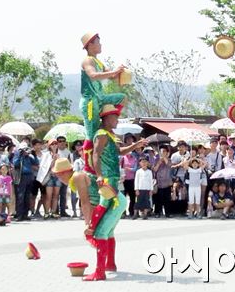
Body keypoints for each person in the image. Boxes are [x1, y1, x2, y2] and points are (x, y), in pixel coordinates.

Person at [83, 104, 146, 281]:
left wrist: (136, 145)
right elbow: (95, 155)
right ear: (106, 118)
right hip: (108, 179)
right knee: (107, 229)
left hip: (112, 183)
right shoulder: (102, 135)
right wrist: (100, 175)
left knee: (102, 231)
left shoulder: (109, 135)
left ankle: (101, 269)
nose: (117, 120)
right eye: (115, 117)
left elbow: (119, 152)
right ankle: (108, 263)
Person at [79, 32, 127, 175]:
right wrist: (113, 72)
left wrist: (120, 73)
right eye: (98, 42)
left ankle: (108, 122)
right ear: (90, 45)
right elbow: (93, 76)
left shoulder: (99, 62)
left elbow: (112, 76)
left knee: (122, 97)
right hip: (90, 101)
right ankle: (89, 166)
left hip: (100, 98)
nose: (101, 45)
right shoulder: (87, 61)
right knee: (91, 133)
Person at [12, 142, 39, 221]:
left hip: (29, 177)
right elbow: (15, 164)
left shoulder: (29, 157)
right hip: (21, 177)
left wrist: (34, 154)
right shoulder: (17, 156)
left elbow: (36, 163)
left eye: (26, 149)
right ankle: (19, 214)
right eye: (23, 149)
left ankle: (25, 214)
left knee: (27, 197)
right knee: (20, 196)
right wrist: (21, 155)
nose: (25, 151)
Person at [37, 139, 61, 219]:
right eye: (52, 144)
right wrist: (54, 159)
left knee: (56, 195)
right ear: (49, 146)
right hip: (49, 177)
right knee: (48, 196)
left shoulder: (59, 154)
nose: (54, 145)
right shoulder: (46, 155)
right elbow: (45, 167)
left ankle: (53, 212)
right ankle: (47, 212)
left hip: (57, 176)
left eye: (55, 143)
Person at [152, 144, 173, 218]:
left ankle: (168, 213)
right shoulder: (156, 159)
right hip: (159, 182)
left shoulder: (169, 159)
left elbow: (169, 165)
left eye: (164, 151)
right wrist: (158, 163)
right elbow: (154, 169)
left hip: (167, 182)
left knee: (167, 198)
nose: (162, 153)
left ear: (167, 152)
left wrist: (164, 158)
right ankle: (157, 212)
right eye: (161, 151)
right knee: (158, 198)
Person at [71, 147, 85, 218]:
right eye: (83, 151)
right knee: (81, 198)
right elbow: (75, 171)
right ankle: (81, 213)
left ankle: (86, 212)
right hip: (80, 181)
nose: (85, 152)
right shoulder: (77, 161)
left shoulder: (90, 160)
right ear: (80, 152)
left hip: (88, 181)